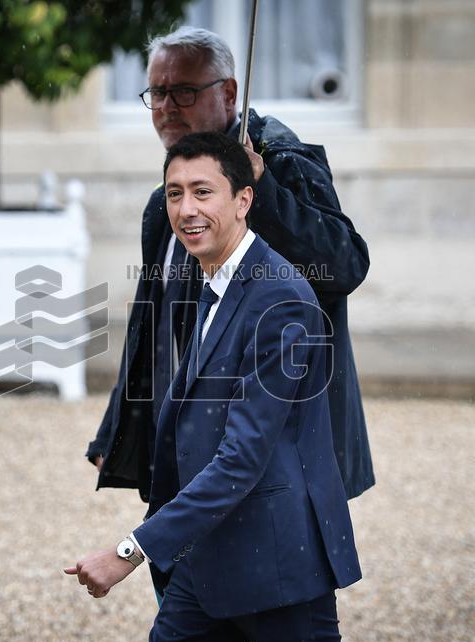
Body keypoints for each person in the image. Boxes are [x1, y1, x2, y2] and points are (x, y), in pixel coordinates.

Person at [66, 132, 360, 642]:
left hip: (279, 562)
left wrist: (131, 550)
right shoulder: (216, 281)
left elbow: (241, 459)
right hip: (206, 559)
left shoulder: (282, 300)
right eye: (174, 193)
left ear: (244, 200)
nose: (186, 209)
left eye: (203, 191)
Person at [86, 27, 374, 503]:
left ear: (229, 93)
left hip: (276, 450)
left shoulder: (279, 157)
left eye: (184, 91)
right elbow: (152, 323)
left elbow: (344, 265)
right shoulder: (164, 202)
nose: (167, 107)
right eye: (157, 92)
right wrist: (116, 430)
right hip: (186, 445)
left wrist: (263, 193)